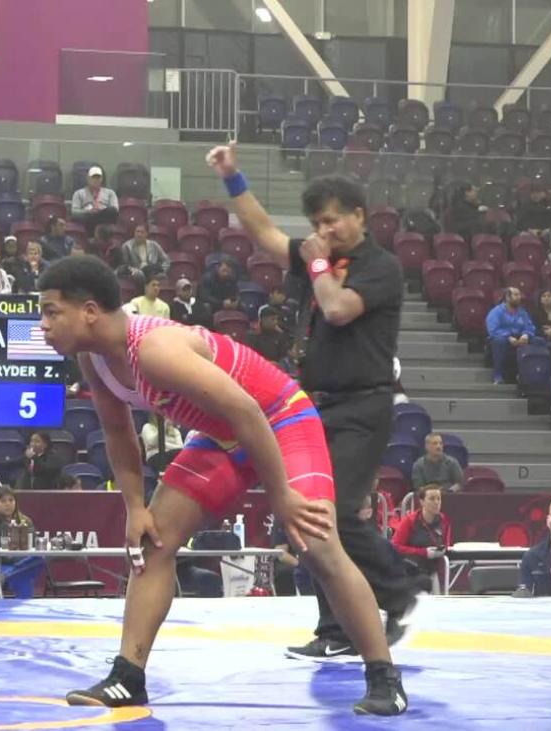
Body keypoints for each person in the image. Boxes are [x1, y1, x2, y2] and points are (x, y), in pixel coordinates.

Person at [35, 256, 405, 714]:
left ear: (90, 311)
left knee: (315, 543)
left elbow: (248, 411)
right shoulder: (93, 359)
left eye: (51, 312)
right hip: (225, 433)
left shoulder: (154, 348)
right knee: (153, 543)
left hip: (280, 418)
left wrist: (283, 498)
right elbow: (117, 432)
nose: (42, 325)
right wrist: (135, 508)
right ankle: (127, 678)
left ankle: (384, 678)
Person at [208, 143, 420, 664]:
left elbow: (337, 308)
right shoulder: (321, 261)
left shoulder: (380, 267)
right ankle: (335, 628)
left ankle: (398, 592)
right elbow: (262, 232)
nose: (323, 231)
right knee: (308, 520)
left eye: (332, 221)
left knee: (336, 514)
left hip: (363, 406)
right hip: (314, 406)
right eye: (317, 223)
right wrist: (233, 177)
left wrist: (318, 260)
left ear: (359, 216)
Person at [0, 486, 45, 598]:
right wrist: (14, 558)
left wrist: (20, 559)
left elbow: (31, 547)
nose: (8, 504)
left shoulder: (25, 521)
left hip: (21, 562)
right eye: (3, 501)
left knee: (40, 559)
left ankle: (11, 574)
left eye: (11, 500)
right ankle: (23, 608)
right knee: (24, 579)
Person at [390, 484, 450, 589]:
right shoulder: (409, 521)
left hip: (432, 570)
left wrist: (443, 550)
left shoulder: (444, 520)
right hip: (410, 571)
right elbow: (395, 546)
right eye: (432, 499)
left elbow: (446, 543)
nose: (436, 502)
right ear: (422, 502)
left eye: (439, 499)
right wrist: (424, 552)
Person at [486, 286, 542, 384]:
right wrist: (508, 337)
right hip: (503, 338)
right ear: (507, 297)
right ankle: (498, 375)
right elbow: (493, 330)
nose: (519, 297)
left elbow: (529, 326)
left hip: (520, 337)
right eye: (516, 295)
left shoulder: (522, 312)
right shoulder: (496, 311)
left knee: (538, 341)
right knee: (499, 342)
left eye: (519, 295)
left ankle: (536, 374)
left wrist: (526, 335)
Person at [70, 167, 119, 234]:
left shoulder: (110, 193)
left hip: (105, 220)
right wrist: (88, 212)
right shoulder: (78, 193)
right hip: (88, 219)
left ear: (102, 179)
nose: (96, 180)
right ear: (88, 179)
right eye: (93, 177)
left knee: (111, 211)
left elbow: (115, 210)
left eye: (98, 178)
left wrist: (100, 212)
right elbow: (74, 212)